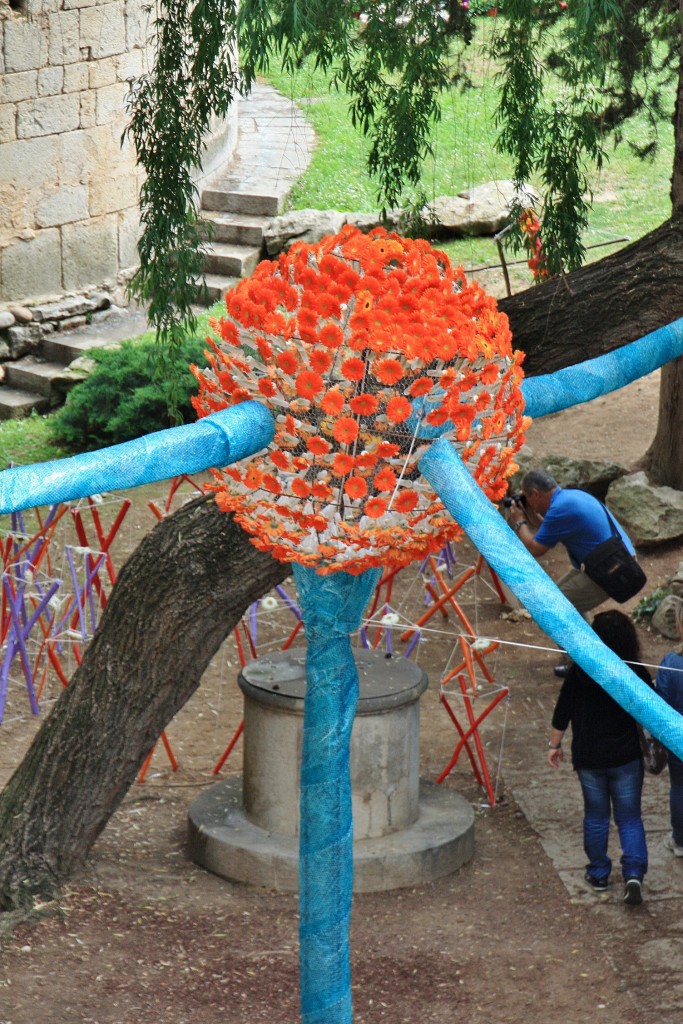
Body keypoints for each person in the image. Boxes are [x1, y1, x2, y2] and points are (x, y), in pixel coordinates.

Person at [547, 609, 651, 907]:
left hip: (590, 758)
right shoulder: (635, 671)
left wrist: (554, 745)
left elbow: (561, 712)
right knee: (629, 817)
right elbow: (650, 710)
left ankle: (599, 874)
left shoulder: (580, 672)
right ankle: (633, 873)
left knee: (596, 816)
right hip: (626, 758)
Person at [507, 468, 641, 676]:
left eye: (527, 497)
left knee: (550, 607)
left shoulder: (561, 509)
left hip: (611, 569)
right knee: (564, 601)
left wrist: (519, 522)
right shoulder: (570, 497)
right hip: (612, 561)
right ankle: (585, 659)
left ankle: (585, 664)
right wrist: (530, 514)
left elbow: (536, 548)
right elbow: (549, 531)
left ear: (535, 493)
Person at [654, 598, 683, 858]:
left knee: (680, 787)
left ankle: (680, 840)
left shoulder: (671, 662)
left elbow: (659, 703)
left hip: (677, 739)